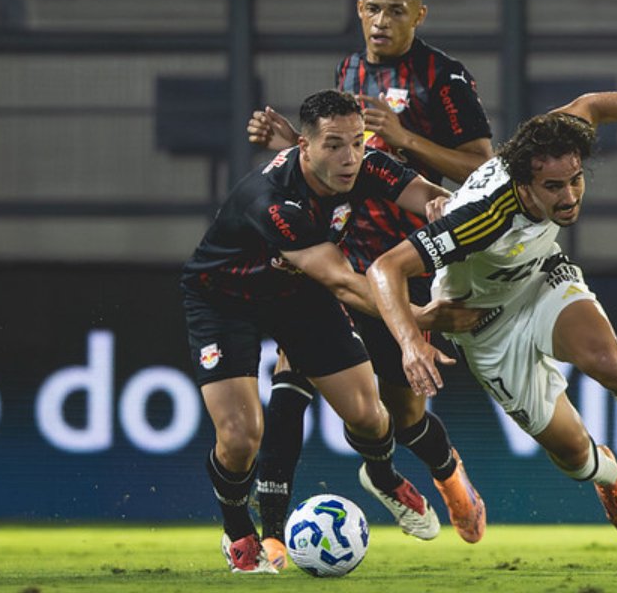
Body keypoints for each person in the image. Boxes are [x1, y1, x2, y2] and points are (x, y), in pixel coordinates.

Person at [366, 91, 617, 543]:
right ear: (522, 185)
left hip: (539, 281)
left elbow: (591, 105)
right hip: (483, 323)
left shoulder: (550, 143)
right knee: (572, 453)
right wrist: (412, 337)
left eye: (575, 180)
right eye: (554, 188)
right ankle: (609, 478)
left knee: (612, 363)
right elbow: (384, 269)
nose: (569, 196)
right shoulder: (480, 217)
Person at [246, 0, 493, 564]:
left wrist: (407, 139)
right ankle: (270, 534)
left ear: (419, 15)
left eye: (397, 11)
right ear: (360, 8)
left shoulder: (445, 77)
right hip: (341, 249)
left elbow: (483, 169)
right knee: (292, 366)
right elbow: (339, 161)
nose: (383, 21)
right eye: (374, 9)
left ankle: (436, 472)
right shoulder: (350, 71)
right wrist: (292, 144)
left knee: (403, 412)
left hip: (405, 260)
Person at [183, 89, 480, 573]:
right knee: (240, 437)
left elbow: (426, 195)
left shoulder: (366, 166)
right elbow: (343, 282)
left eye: (357, 143)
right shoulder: (274, 202)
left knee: (369, 415)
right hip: (224, 300)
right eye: (334, 145)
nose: (350, 158)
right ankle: (239, 532)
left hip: (296, 294)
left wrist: (444, 206)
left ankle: (381, 476)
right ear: (305, 147)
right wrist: (418, 321)